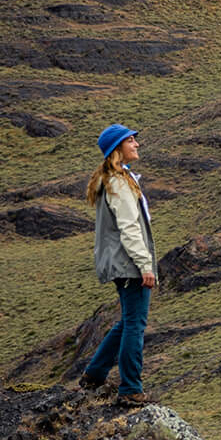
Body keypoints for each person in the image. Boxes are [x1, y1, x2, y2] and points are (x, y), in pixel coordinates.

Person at [79, 124, 157, 401]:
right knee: (136, 324)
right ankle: (130, 389)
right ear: (118, 148)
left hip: (120, 262)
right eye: (131, 140)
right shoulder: (119, 183)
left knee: (126, 322)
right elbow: (130, 228)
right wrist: (145, 265)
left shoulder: (115, 180)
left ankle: (95, 373)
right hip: (129, 264)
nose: (136, 144)